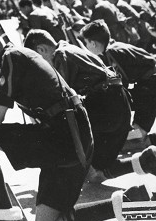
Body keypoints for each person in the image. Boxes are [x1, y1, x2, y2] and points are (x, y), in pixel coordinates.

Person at [0, 16, 150, 221]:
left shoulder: (12, 58)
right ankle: (127, 202)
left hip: (64, 139)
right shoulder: (13, 59)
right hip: (70, 141)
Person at [22, 29, 155, 184]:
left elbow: (61, 96)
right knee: (98, 167)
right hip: (116, 101)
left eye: (39, 62)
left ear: (41, 50)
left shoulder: (60, 56)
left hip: (105, 105)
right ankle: (148, 160)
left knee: (80, 156)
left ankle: (146, 159)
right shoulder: (68, 48)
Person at [81, 19, 156, 152]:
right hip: (147, 84)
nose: (86, 47)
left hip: (150, 85)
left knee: (132, 124)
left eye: (86, 43)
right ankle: (141, 137)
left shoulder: (112, 54)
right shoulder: (114, 47)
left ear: (93, 43)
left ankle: (140, 139)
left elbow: (121, 86)